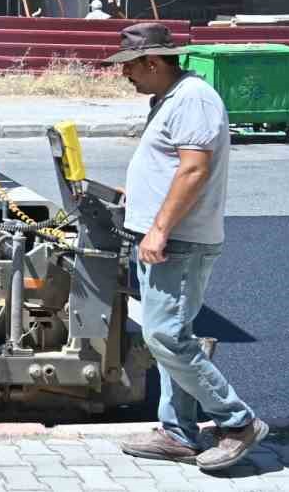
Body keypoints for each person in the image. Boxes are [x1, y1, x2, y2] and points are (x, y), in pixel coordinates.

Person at [107, 23, 266, 472]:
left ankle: (238, 422)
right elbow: (170, 164)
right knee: (172, 337)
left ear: (153, 62)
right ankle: (178, 432)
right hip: (164, 234)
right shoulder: (171, 98)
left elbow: (194, 170)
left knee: (164, 336)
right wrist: (137, 194)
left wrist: (158, 229)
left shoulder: (193, 98)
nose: (126, 76)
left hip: (178, 240)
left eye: (130, 67)